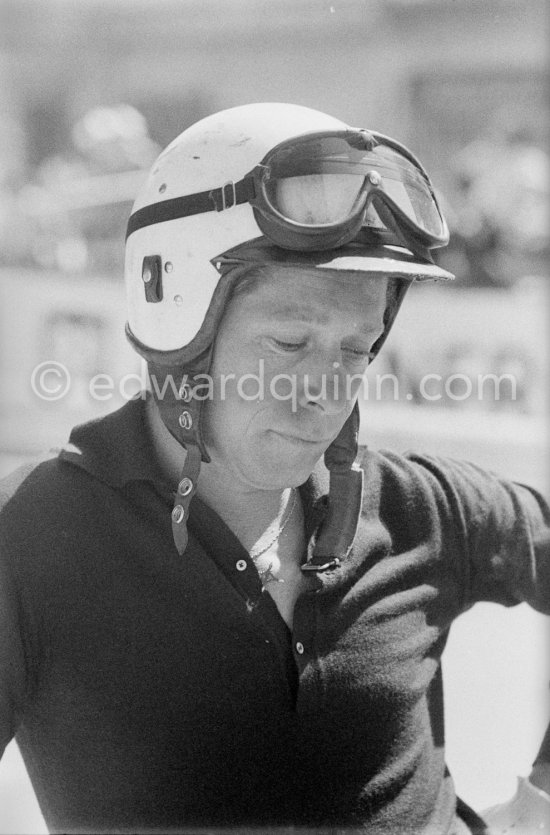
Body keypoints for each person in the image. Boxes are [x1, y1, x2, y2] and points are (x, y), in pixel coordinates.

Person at [0, 102, 548, 835]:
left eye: (355, 350)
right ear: (177, 319)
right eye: (290, 342)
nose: (325, 392)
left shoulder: (421, 506)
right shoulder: (33, 538)